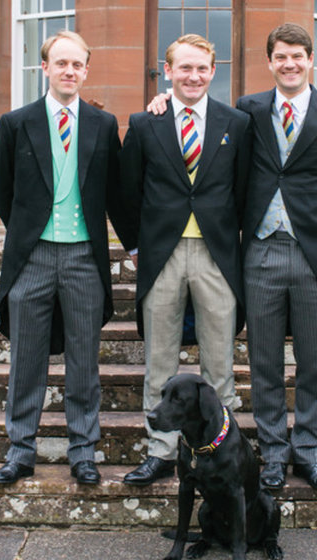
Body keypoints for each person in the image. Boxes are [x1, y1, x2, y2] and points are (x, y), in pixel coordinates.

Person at [145, 23, 317, 490]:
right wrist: (161, 103)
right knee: (264, 364)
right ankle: (272, 454)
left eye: (298, 56)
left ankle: (308, 453)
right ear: (269, 62)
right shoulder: (249, 111)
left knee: (313, 363)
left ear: (310, 60)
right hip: (259, 253)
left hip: (312, 256)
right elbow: (205, 131)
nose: (289, 64)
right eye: (280, 56)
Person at [0, 30, 136, 485]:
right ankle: (21, 449)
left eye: (77, 65)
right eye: (61, 63)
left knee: (83, 359)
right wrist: (29, 231)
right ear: (45, 68)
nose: (69, 71)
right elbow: (1, 187)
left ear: (86, 70)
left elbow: (115, 191)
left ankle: (83, 450)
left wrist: (133, 244)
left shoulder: (102, 124)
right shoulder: (16, 122)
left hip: (83, 259)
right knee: (26, 357)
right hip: (32, 257)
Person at [120, 34, 252, 486]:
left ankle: (224, 449)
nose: (193, 76)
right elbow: (126, 191)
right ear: (169, 70)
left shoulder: (236, 121)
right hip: (163, 254)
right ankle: (159, 451)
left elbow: (244, 191)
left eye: (202, 69)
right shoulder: (144, 123)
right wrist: (136, 246)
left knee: (220, 360)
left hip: (217, 255)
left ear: (213, 72)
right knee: (160, 358)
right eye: (184, 68)